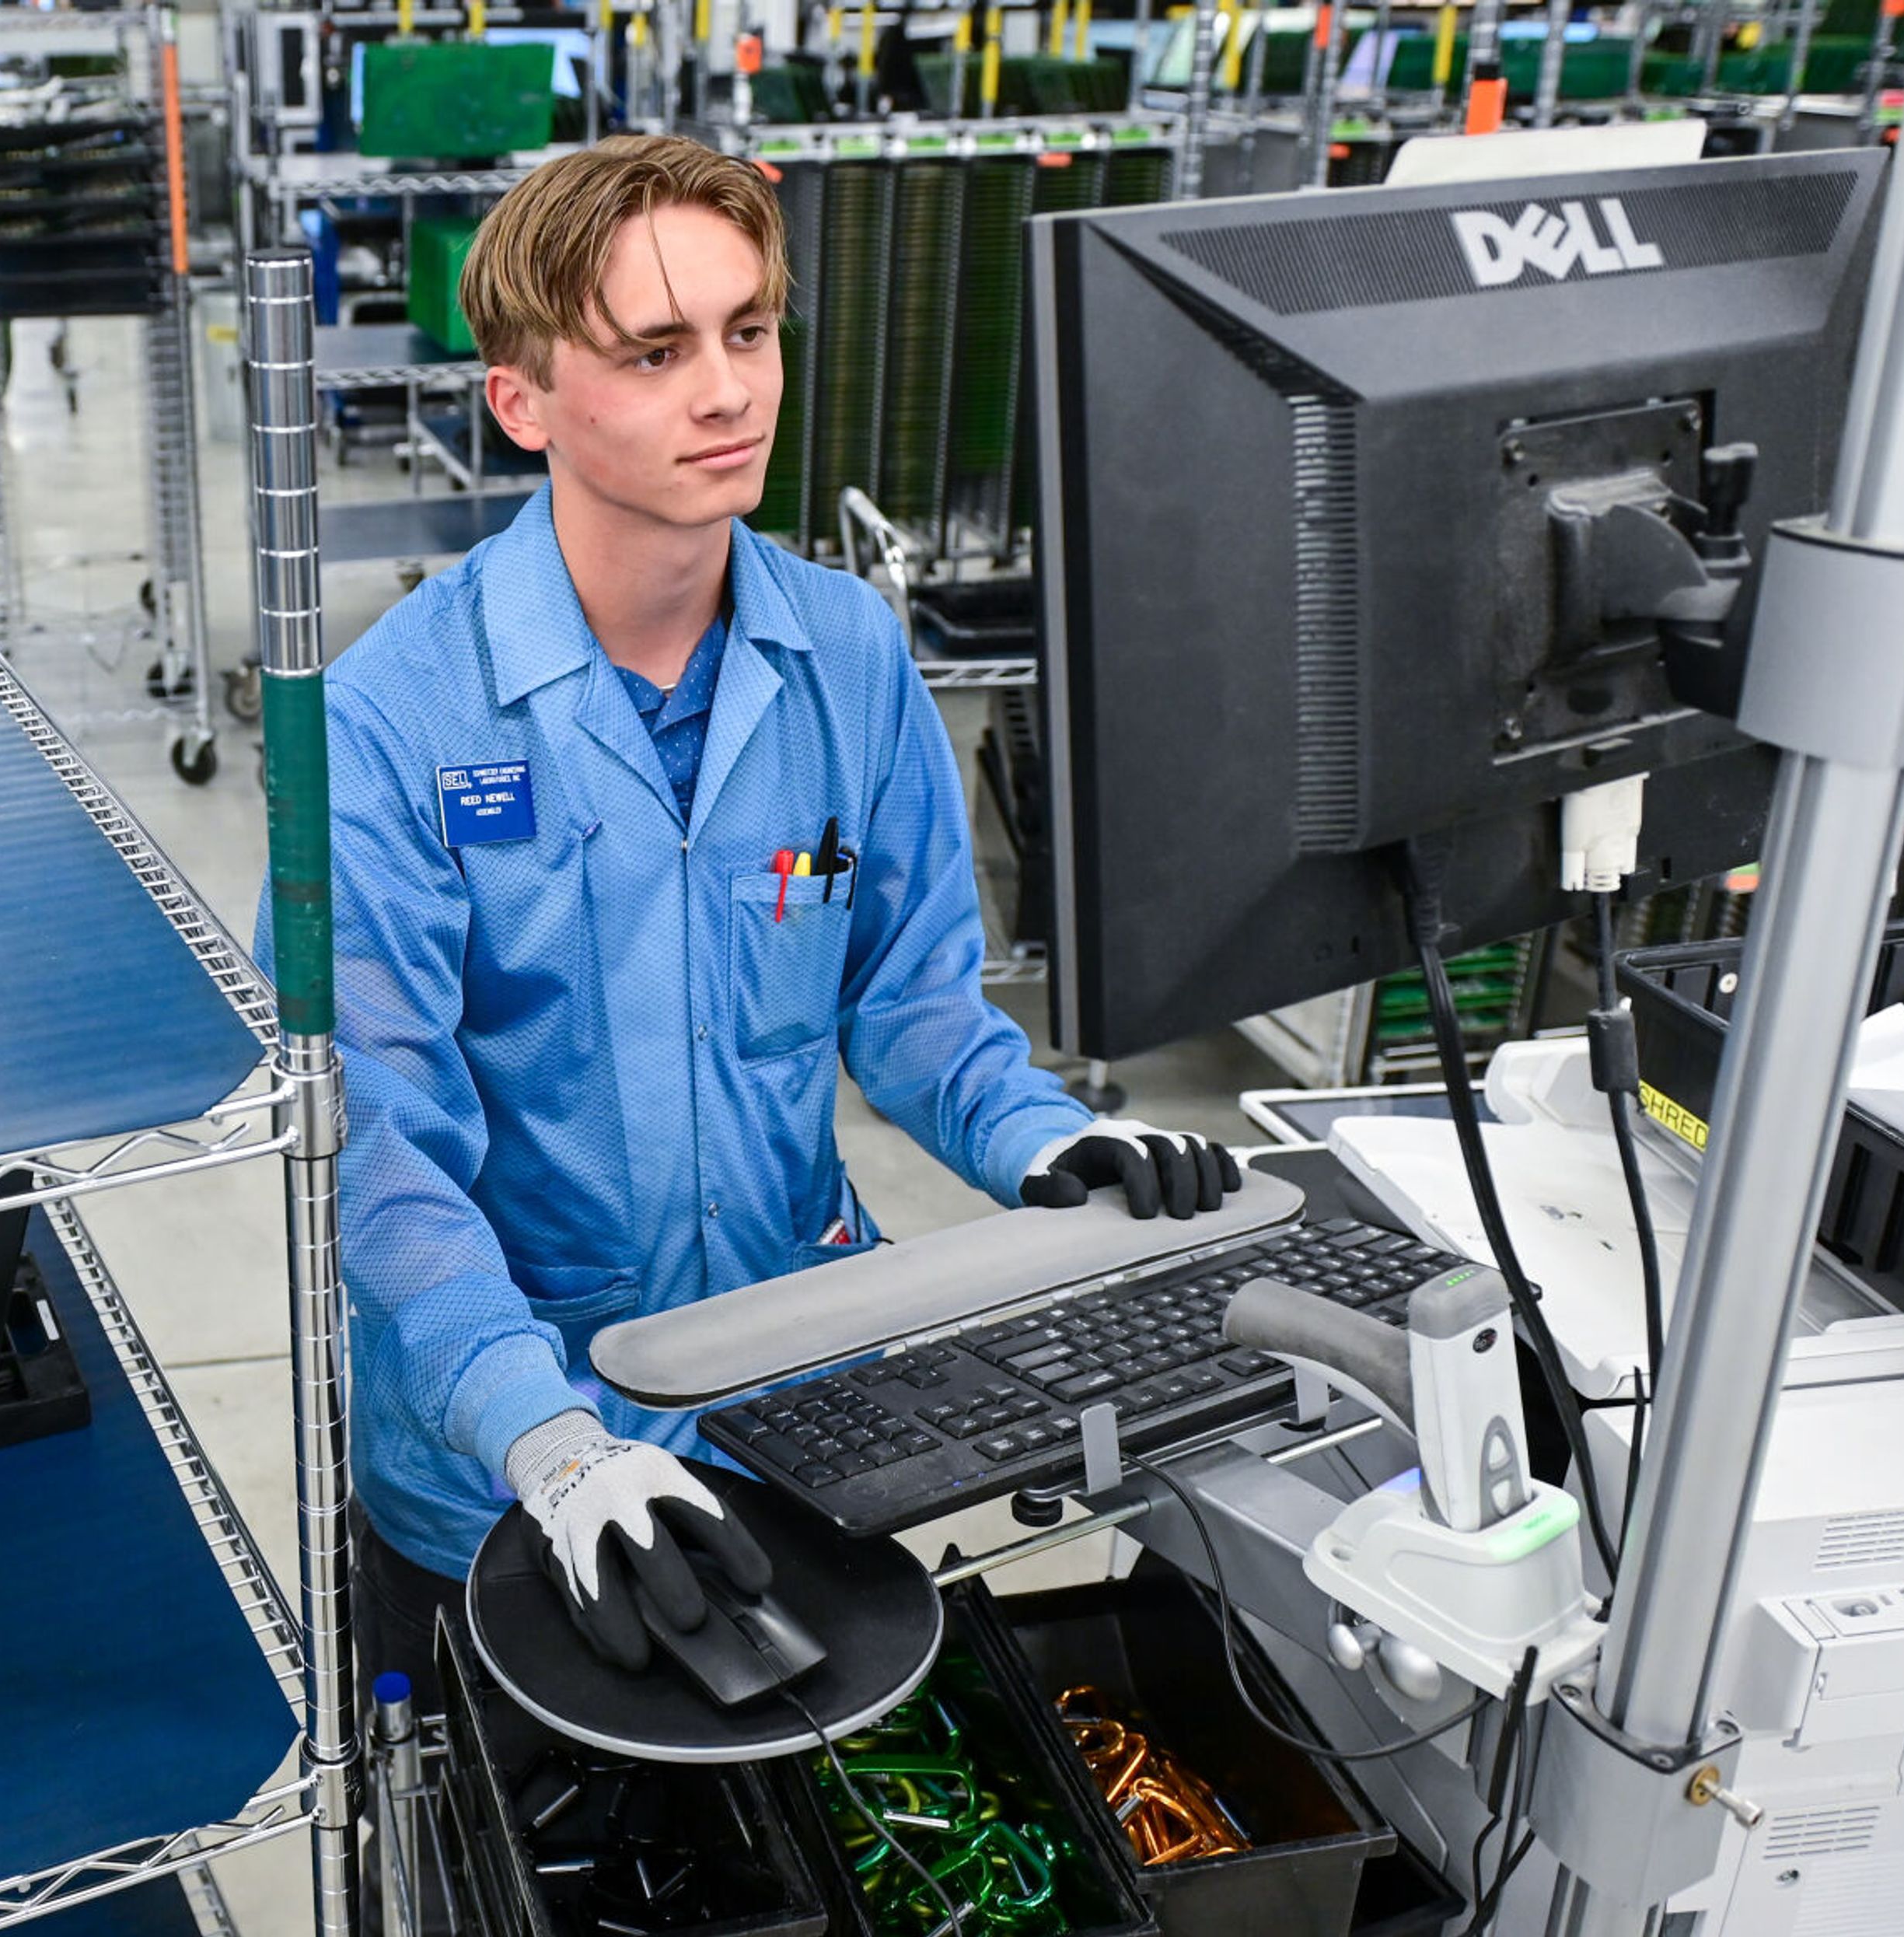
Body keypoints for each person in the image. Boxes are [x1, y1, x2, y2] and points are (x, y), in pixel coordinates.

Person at [256, 135, 1235, 1696]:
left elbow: (909, 1004)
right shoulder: (395, 720)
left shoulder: (844, 655)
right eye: (654, 353)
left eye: (747, 332)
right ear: (522, 405)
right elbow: (387, 1159)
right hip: (511, 1472)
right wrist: (558, 1452)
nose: (728, 391)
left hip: (802, 1421)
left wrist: (1040, 1139)